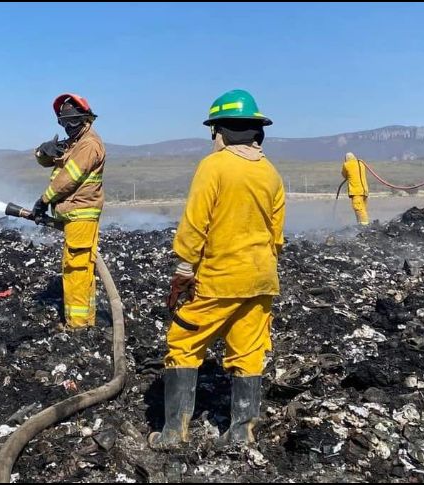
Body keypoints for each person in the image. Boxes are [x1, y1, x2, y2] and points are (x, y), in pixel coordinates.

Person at [149, 89, 285, 448]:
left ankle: (173, 432)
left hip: (219, 279)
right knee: (249, 351)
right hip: (261, 279)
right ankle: (242, 431)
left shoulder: (213, 166)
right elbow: (277, 234)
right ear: (257, 131)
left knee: (183, 342)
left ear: (219, 132)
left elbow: (195, 223)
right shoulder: (270, 173)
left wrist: (183, 270)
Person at [32, 93, 105, 330]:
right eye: (63, 123)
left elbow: (68, 179)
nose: (67, 127)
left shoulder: (88, 145)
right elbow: (50, 161)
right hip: (73, 216)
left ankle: (79, 325)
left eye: (70, 122)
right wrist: (43, 151)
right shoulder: (75, 143)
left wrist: (44, 200)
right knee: (76, 269)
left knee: (78, 271)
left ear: (84, 119)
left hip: (81, 215)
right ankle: (83, 322)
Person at [341, 152, 370, 225]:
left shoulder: (347, 165)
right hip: (364, 191)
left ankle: (364, 226)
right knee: (363, 209)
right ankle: (361, 224)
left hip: (356, 191)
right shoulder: (361, 163)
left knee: (358, 209)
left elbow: (344, 175)